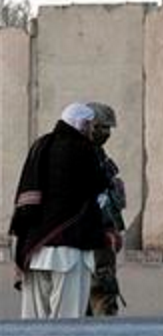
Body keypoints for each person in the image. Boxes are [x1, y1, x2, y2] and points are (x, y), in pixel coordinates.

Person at [9, 103, 113, 319]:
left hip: (35, 249)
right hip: (70, 250)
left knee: (33, 323)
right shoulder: (82, 149)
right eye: (95, 127)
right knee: (68, 321)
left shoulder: (41, 144)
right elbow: (97, 186)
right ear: (84, 125)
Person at [85, 102, 126, 317]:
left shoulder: (99, 154)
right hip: (91, 236)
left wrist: (114, 229)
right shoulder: (80, 155)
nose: (106, 133)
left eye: (108, 128)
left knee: (105, 291)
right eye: (101, 128)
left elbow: (110, 199)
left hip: (104, 236)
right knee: (97, 291)